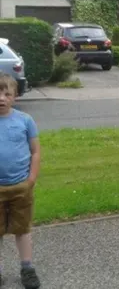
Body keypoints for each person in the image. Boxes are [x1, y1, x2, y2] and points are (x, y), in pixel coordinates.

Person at [0, 73, 41, 289]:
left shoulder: (25, 121)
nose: (2, 98)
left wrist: (31, 179)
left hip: (20, 186)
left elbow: (35, 151)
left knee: (22, 229)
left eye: (7, 94)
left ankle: (27, 268)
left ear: (15, 97)